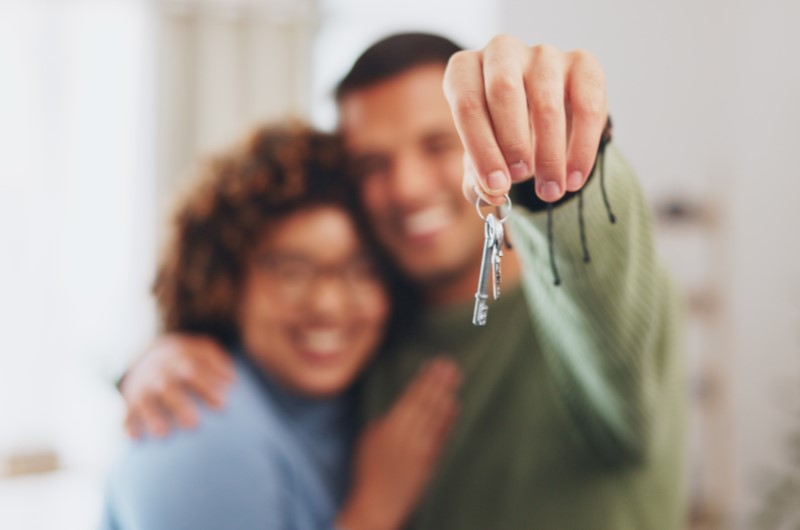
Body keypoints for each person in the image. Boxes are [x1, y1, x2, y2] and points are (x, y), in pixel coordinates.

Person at [120, 33, 686, 529]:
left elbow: (601, 280)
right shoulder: (378, 332)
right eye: (372, 165)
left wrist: (557, 163)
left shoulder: (587, 319)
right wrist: (163, 350)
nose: (408, 188)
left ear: (483, 138)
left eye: (438, 146)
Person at [101, 123, 462, 530]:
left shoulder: (368, 402)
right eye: (291, 272)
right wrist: (372, 514)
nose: (328, 305)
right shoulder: (197, 432)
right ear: (229, 282)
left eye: (363, 270)